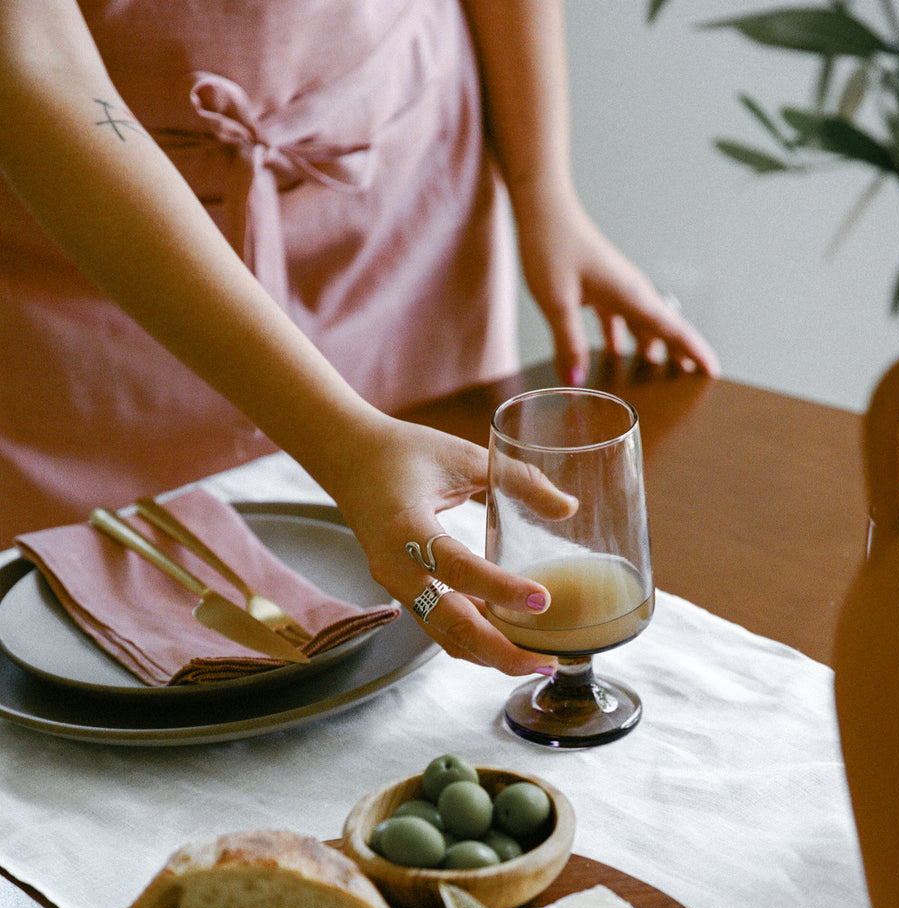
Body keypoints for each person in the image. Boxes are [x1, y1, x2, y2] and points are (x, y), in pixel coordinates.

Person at [0, 0, 718, 675]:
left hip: (398, 205)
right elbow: (37, 66)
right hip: (99, 253)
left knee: (426, 627)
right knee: (103, 649)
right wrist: (348, 445)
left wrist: (544, 190)